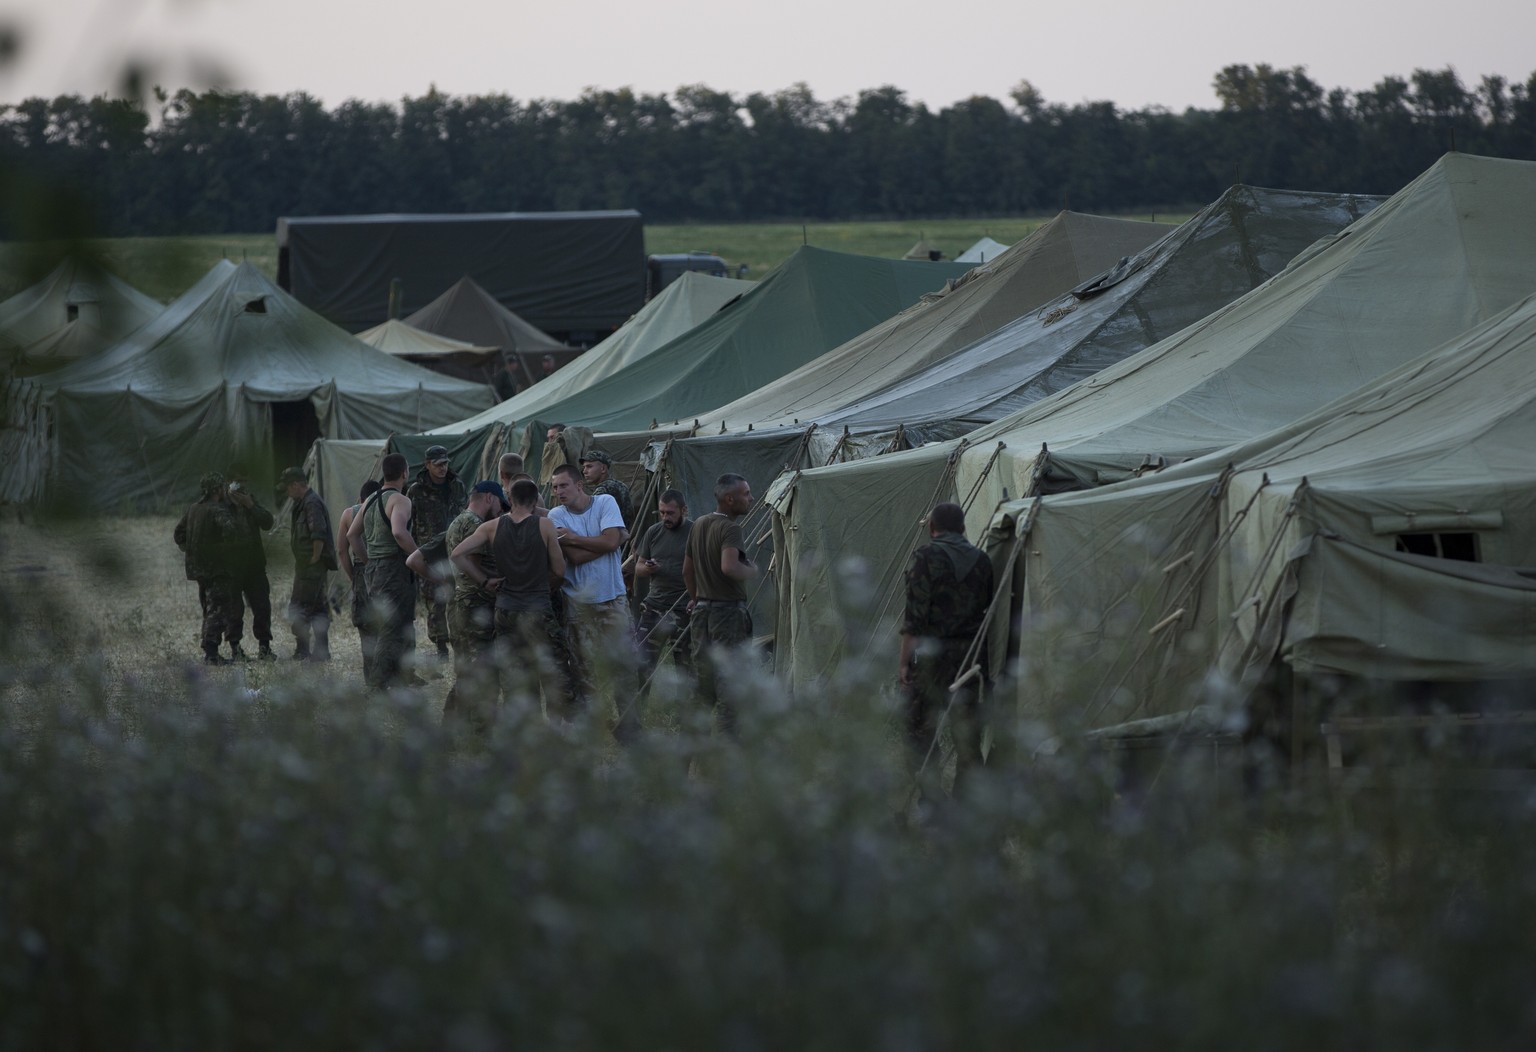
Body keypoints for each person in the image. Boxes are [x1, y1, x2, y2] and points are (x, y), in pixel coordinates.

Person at [453, 478, 572, 723]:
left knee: (515, 672)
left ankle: (521, 728)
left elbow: (457, 554)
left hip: (505, 610)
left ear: (512, 500)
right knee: (555, 669)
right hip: (538, 609)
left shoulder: (491, 527)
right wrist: (542, 586)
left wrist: (484, 581)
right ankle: (558, 728)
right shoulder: (545, 525)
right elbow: (560, 571)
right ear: (534, 501)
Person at [898, 502, 994, 798]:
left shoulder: (926, 557)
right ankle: (966, 803)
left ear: (931, 528)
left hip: (931, 658)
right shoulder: (982, 560)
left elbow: (914, 619)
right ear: (964, 528)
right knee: (966, 730)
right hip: (970, 659)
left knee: (919, 727)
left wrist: (903, 664)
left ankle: (932, 796)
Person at [548, 462, 636, 739]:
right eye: (554, 487)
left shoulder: (605, 501)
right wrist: (610, 540)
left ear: (579, 485)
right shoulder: (555, 515)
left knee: (623, 666)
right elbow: (577, 557)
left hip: (613, 599)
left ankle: (628, 727)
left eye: (563, 485)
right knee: (585, 670)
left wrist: (576, 538)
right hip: (579, 605)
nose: (558, 491)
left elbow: (610, 542)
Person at [414, 480, 505, 729]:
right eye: (499, 503)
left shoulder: (457, 522)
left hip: (461, 604)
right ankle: (474, 729)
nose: (500, 509)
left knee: (469, 669)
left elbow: (416, 560)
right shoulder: (477, 525)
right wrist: (484, 580)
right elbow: (470, 560)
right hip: (476, 605)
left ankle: (459, 727)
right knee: (481, 670)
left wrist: (448, 581)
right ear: (489, 497)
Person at [683, 474, 758, 735]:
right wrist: (751, 571)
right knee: (731, 689)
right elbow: (729, 567)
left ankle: (688, 756)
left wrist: (697, 598)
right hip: (727, 614)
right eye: (746, 494)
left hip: (702, 613)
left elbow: (687, 570)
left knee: (702, 689)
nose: (751, 498)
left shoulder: (699, 523)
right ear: (730, 499)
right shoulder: (731, 529)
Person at [348, 453, 417, 689]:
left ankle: (394, 683)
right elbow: (399, 532)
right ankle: (376, 687)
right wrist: (418, 555)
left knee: (387, 627)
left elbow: (352, 535)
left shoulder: (369, 500)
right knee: (391, 630)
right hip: (394, 568)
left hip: (374, 571)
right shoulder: (400, 500)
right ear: (405, 473)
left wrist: (368, 561)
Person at [624, 489, 693, 689]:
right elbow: (638, 567)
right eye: (662, 512)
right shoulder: (653, 531)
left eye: (670, 513)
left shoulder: (695, 532)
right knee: (643, 660)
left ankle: (685, 713)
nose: (665, 517)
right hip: (655, 606)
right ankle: (641, 705)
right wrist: (648, 568)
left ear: (684, 510)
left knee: (685, 664)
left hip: (683, 607)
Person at [173, 472, 244, 665]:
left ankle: (209, 648)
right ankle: (211, 653)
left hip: (198, 570)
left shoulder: (193, 509)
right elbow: (233, 533)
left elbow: (178, 534)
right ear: (217, 490)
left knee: (208, 607)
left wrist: (192, 550)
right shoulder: (217, 510)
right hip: (217, 570)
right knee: (218, 609)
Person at [407, 444, 467, 660]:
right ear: (427, 465)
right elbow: (408, 520)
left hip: (453, 547)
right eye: (438, 464)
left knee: (457, 595)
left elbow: (464, 512)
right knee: (433, 598)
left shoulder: (456, 484)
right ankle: (440, 645)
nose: (443, 468)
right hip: (428, 548)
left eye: (445, 464)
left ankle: (459, 639)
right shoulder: (416, 490)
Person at [280, 466, 337, 661]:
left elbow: (318, 534)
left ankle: (303, 650)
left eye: (288, 488)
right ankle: (321, 651)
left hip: (311, 566)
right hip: (308, 565)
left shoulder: (311, 503)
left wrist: (314, 558)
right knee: (317, 606)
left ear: (296, 485)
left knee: (301, 606)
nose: (287, 492)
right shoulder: (303, 502)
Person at [224, 462, 276, 660]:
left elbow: (267, 522)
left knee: (262, 606)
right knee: (234, 610)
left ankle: (264, 647)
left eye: (244, 482)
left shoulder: (249, 502)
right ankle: (235, 648)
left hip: (254, 566)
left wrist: (250, 505)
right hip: (232, 567)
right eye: (237, 482)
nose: (241, 486)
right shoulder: (222, 505)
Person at [337, 479, 382, 681]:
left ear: (361, 497)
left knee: (367, 631)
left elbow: (341, 550)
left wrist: (353, 577)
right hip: (383, 570)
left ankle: (371, 680)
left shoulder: (349, 514)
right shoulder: (385, 508)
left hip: (361, 572)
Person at [580, 449, 632, 528]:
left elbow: (591, 519)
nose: (584, 471)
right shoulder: (621, 485)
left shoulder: (603, 490)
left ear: (603, 468)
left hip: (610, 536)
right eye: (584, 467)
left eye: (589, 466)